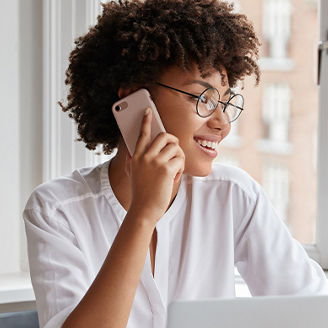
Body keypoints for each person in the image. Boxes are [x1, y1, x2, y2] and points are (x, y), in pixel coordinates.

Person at [23, 0, 328, 327]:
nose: (223, 123)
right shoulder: (56, 210)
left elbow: (312, 308)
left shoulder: (234, 195)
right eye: (202, 98)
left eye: (224, 101)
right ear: (135, 100)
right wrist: (143, 213)